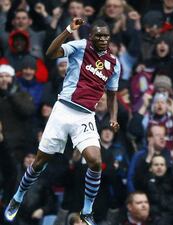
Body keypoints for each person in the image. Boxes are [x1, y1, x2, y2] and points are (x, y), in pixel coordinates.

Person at [4, 18, 121, 225]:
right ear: (91, 36)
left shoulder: (114, 63)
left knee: (95, 161)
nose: (103, 39)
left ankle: (86, 211)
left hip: (85, 116)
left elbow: (112, 95)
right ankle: (17, 197)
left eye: (106, 36)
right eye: (99, 35)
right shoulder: (80, 46)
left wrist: (112, 117)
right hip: (63, 109)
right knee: (39, 162)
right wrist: (68, 30)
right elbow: (50, 53)